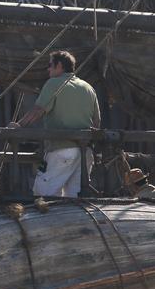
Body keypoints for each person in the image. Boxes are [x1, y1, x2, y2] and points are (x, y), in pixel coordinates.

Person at [10, 50, 100, 198]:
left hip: (61, 151)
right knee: (76, 200)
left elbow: (38, 110)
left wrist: (18, 127)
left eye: (50, 65)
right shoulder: (88, 88)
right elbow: (97, 122)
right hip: (86, 154)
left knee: (42, 194)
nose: (48, 69)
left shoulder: (54, 83)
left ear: (59, 66)